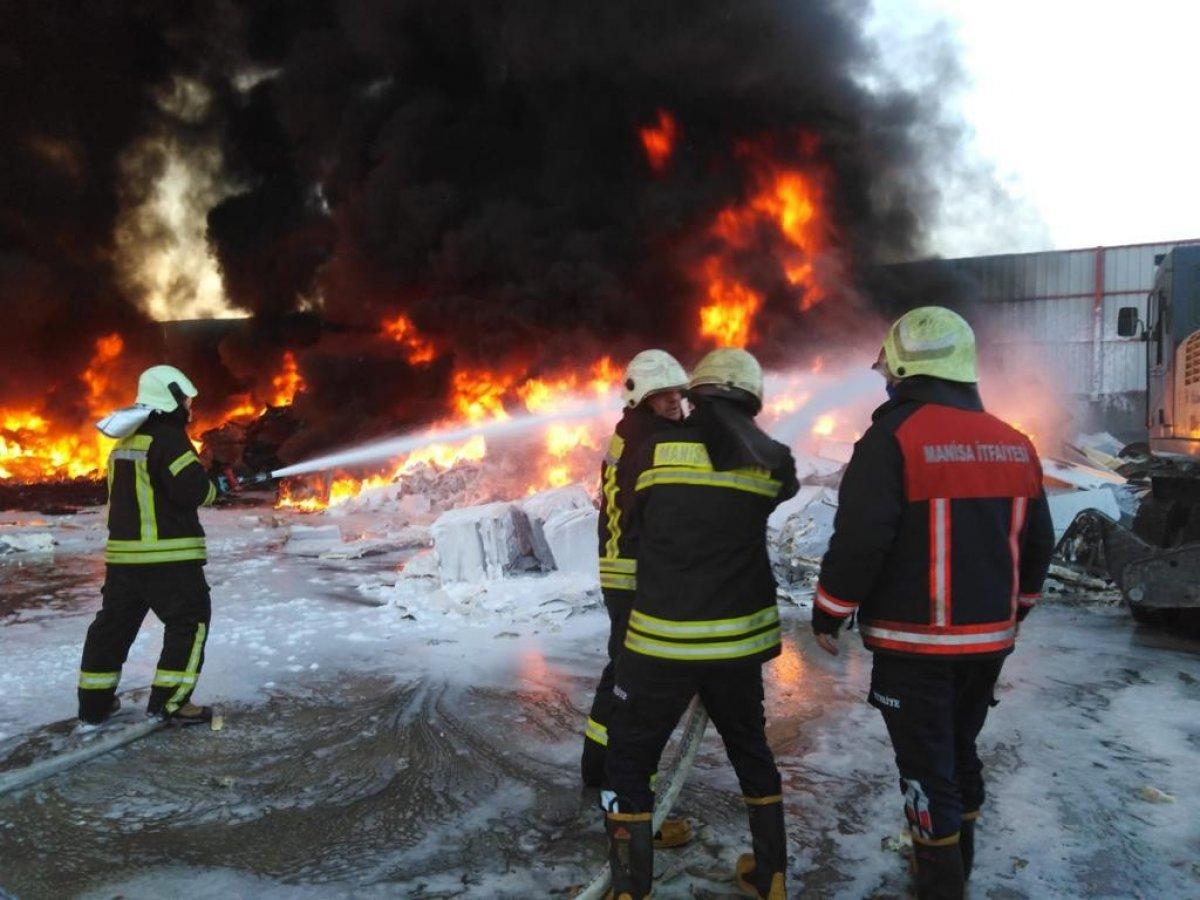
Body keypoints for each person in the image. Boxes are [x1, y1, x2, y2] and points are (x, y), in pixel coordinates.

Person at [811, 307, 1054, 899]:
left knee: (925, 771)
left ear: (899, 370)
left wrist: (830, 610)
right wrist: (1016, 607)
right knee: (959, 749)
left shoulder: (891, 438)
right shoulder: (1014, 442)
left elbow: (863, 537)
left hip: (914, 644)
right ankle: (960, 862)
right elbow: (1038, 540)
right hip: (989, 643)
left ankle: (941, 887)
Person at [602, 348, 799, 900]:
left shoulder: (651, 450)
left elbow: (631, 517)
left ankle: (628, 889)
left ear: (696, 395)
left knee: (631, 755)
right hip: (738, 643)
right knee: (750, 751)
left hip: (661, 641)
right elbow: (781, 491)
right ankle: (771, 876)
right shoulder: (773, 461)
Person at [583, 349, 693, 849]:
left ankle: (596, 765)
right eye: (663, 395)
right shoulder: (653, 440)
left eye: (677, 392)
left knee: (621, 672)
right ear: (641, 399)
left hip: (621, 573)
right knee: (641, 691)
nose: (674, 401)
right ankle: (631, 804)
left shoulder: (628, 433)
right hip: (639, 577)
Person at [78, 365, 221, 727]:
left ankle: (94, 706)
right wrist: (214, 487)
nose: (189, 407)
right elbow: (191, 490)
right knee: (189, 622)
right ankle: (171, 703)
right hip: (167, 556)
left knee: (113, 628)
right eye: (185, 399)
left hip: (124, 559)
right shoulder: (169, 438)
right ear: (170, 398)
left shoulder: (126, 440)